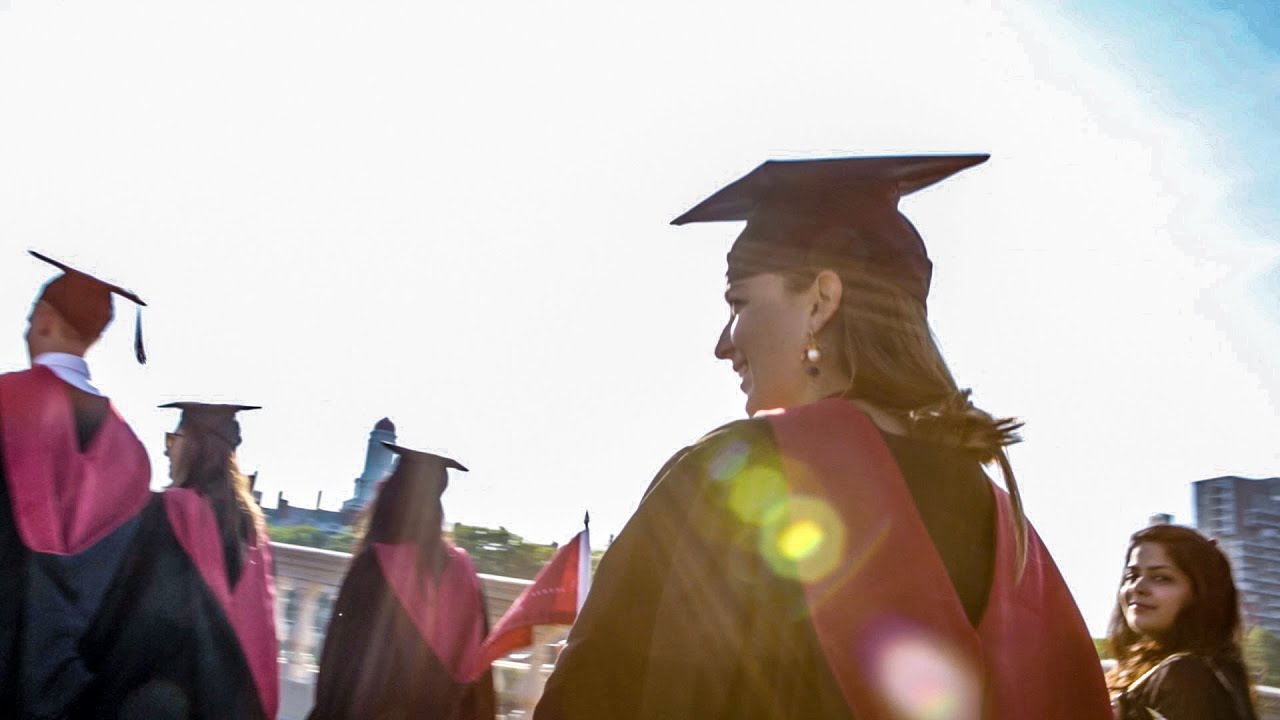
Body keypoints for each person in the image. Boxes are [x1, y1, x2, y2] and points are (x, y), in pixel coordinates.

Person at [535, 155, 1112, 719]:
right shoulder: (1011, 535)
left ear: (820, 301)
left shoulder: (735, 477)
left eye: (738, 303)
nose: (723, 342)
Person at [0, 251, 151, 719]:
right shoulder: (133, 455)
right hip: (74, 696)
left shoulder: (6, 404)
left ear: (44, 320)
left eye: (29, 320)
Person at [73, 403, 278, 720]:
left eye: (173, 438)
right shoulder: (253, 529)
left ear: (193, 444)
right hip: (230, 700)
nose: (167, 451)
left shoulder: (168, 512)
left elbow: (135, 612)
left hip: (167, 694)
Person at [309, 442, 495, 720]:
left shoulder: (374, 565)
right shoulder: (464, 569)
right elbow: (479, 667)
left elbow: (341, 663)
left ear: (391, 497)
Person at [1107, 524, 1258, 720]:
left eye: (1161, 578)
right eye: (1131, 576)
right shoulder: (1195, 672)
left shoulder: (1187, 676)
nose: (1137, 587)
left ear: (1200, 594)